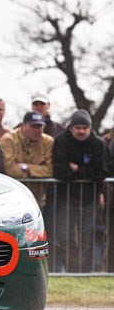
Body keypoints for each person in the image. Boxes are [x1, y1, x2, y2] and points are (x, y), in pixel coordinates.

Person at [53, 109, 108, 272]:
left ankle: (84, 272)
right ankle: (72, 271)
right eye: (78, 127)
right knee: (66, 237)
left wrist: (77, 169)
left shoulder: (98, 144)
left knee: (87, 238)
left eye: (85, 128)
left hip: (89, 198)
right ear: (71, 128)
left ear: (90, 129)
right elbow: (59, 171)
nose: (81, 131)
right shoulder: (61, 141)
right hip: (66, 197)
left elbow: (101, 172)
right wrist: (86, 173)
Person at [0, 111, 54, 207]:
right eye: (33, 126)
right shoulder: (8, 139)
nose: (37, 130)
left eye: (40, 127)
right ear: (23, 126)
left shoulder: (48, 142)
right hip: (12, 198)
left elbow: (50, 170)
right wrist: (38, 172)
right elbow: (10, 170)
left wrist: (27, 167)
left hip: (37, 200)